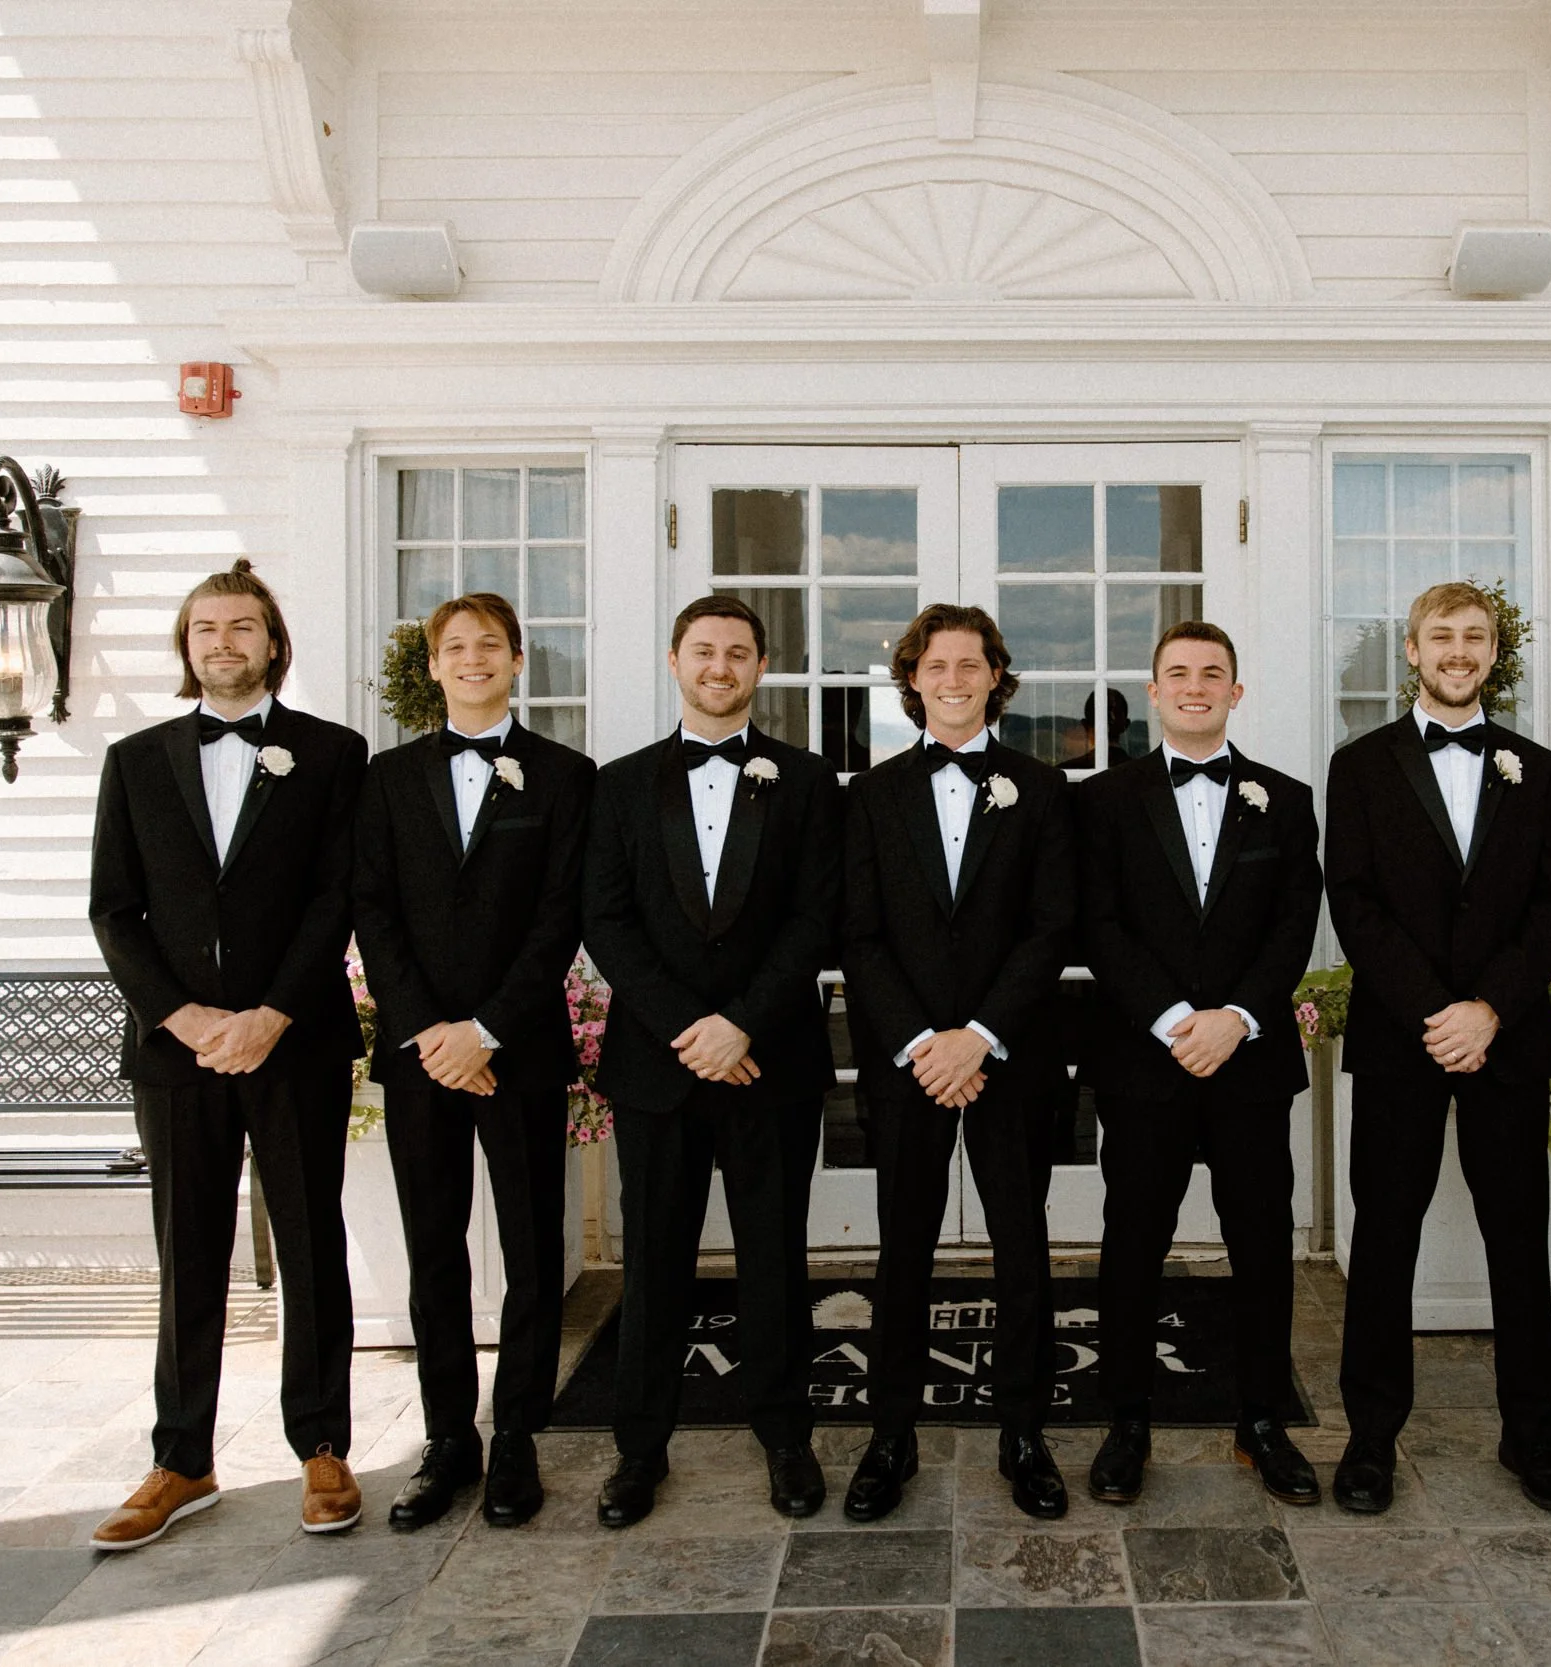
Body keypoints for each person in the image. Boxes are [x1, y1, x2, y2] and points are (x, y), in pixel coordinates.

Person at [86, 560, 366, 1549]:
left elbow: (338, 896)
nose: (223, 643)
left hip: (294, 1040)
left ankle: (324, 1444)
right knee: (188, 1250)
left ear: (273, 643)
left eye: (242, 627)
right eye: (206, 628)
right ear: (186, 644)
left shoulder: (334, 755)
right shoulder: (134, 760)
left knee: (308, 1240)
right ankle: (182, 1457)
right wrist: (187, 1017)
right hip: (177, 1054)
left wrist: (271, 1012)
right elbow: (114, 911)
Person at [580, 596, 842, 1526]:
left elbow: (817, 916)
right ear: (674, 660)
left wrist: (742, 1026)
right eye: (704, 650)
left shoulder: (809, 782)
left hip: (771, 1062)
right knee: (655, 1262)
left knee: (776, 1257)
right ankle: (639, 1448)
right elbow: (605, 917)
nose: (720, 665)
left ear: (760, 666)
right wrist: (692, 1028)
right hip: (658, 1065)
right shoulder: (617, 784)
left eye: (737, 652)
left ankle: (786, 1436)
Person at [1321, 580, 1551, 1515]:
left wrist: (1490, 1010)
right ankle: (1370, 1438)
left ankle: (1534, 1437)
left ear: (1492, 652)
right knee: (1384, 1238)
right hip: (1402, 1038)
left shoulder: (1539, 769)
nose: (1459, 650)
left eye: (1475, 636)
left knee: (1521, 1242)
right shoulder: (1360, 766)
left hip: (1505, 1040)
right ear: (1414, 653)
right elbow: (1353, 902)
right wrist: (1438, 1010)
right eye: (1442, 636)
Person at [352, 593, 597, 1531]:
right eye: (454, 646)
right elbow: (372, 907)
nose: (472, 658)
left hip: (520, 1049)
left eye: (488, 644)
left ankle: (519, 1437)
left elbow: (560, 920)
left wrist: (486, 1028)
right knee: (433, 1249)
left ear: (517, 659)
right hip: (421, 1058)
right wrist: (428, 1030)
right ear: (433, 664)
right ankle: (448, 1437)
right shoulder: (387, 778)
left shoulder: (566, 778)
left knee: (534, 1254)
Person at [839, 604, 1078, 1522]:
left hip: (1009, 1057)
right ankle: (888, 1433)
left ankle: (1026, 1431)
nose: (952, 678)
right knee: (904, 1249)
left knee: (1024, 1251)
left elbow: (1052, 924)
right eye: (935, 665)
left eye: (969, 664)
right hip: (907, 1062)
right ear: (912, 678)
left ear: (993, 677)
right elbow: (858, 933)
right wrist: (922, 1042)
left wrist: (978, 1034)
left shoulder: (1041, 789)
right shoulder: (867, 795)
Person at [1076, 622, 1324, 1506]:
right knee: (1132, 1245)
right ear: (1153, 691)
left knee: (1260, 1246)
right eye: (1177, 673)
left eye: (1211, 672)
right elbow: (1099, 924)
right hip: (1146, 1064)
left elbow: (1294, 924)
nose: (1194, 685)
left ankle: (1262, 1419)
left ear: (1235, 690)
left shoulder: (1285, 801)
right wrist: (1180, 1019)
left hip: (1251, 1064)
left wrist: (1240, 1018)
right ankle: (1127, 1418)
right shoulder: (1103, 800)